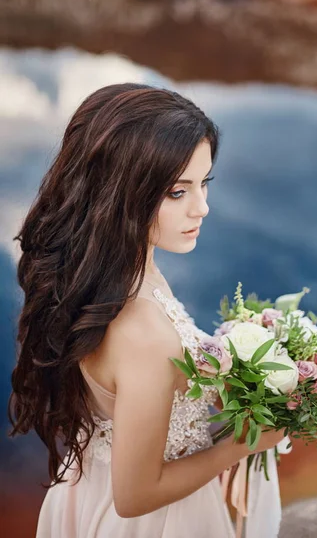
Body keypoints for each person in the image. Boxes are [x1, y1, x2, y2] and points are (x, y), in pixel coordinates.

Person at [8, 83, 290, 538]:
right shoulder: (143, 332)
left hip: (89, 491)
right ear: (121, 192)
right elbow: (135, 495)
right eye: (178, 192)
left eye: (204, 183)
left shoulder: (116, 273)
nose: (203, 207)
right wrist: (245, 443)